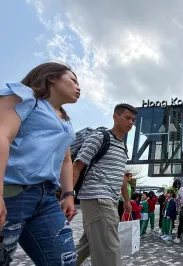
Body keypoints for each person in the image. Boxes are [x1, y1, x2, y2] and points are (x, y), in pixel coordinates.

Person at [0, 62, 80, 265]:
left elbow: (65, 159)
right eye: (73, 80)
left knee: (64, 261)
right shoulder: (26, 97)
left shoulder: (65, 121)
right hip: (11, 193)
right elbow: (3, 135)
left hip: (46, 199)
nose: (79, 87)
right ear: (51, 77)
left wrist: (68, 193)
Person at [72, 103, 137, 266]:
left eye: (133, 120)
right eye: (127, 118)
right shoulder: (100, 137)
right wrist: (67, 196)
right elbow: (77, 166)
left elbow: (121, 177)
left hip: (109, 201)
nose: (130, 122)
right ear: (115, 117)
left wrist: (126, 200)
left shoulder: (122, 146)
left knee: (87, 244)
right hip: (98, 198)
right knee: (109, 249)